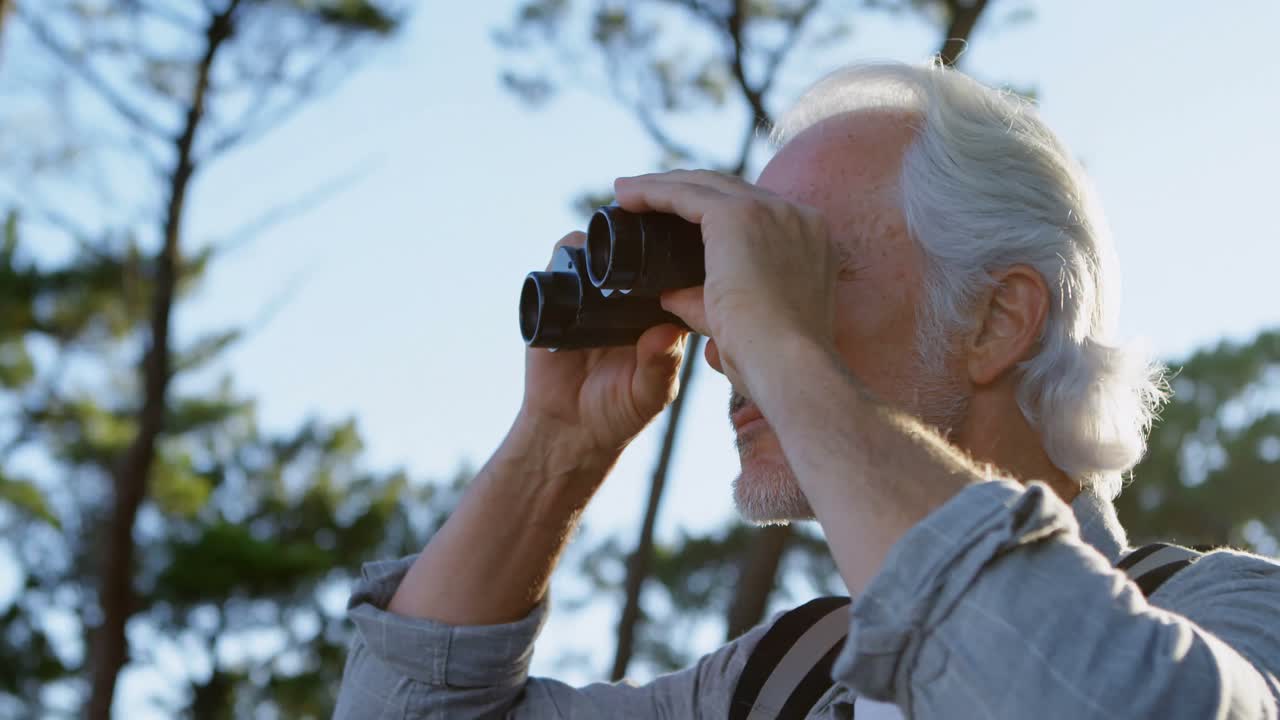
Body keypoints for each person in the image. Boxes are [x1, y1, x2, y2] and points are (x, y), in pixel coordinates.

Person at [334, 61, 1280, 719]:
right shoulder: (779, 686)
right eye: (742, 281)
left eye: (799, 274)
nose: (729, 342)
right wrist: (556, 444)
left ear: (997, 320)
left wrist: (785, 350)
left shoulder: (1235, 616)